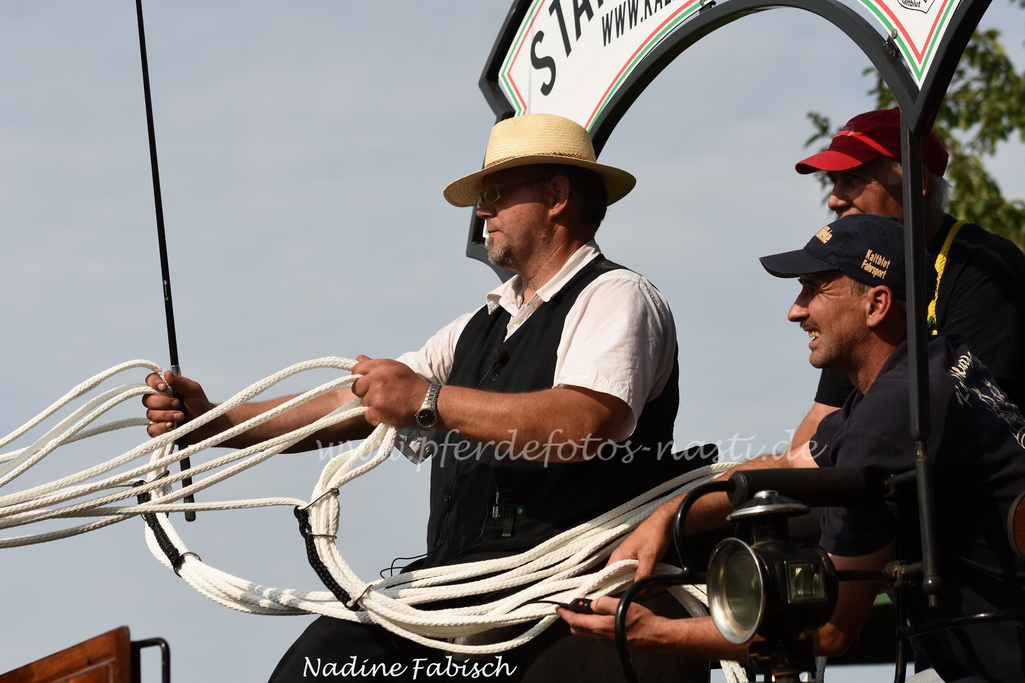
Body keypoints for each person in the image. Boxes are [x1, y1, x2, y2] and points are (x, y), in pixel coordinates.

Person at [143, 113, 707, 681]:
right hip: (461, 597)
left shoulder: (616, 295)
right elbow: (356, 403)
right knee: (317, 664)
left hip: (571, 604)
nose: (482, 211)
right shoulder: (476, 328)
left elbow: (583, 421)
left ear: (557, 196)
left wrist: (426, 400)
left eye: (495, 193)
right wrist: (214, 422)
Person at [560, 214, 1025, 681]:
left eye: (814, 289)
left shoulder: (891, 417)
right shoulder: (938, 365)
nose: (795, 311)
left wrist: (651, 633)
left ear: (877, 304)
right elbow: (789, 466)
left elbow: (828, 630)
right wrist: (664, 519)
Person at [788, 108, 1025, 459]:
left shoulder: (987, 269)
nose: (834, 199)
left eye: (853, 179)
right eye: (833, 182)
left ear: (917, 182)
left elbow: (961, 419)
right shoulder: (863, 277)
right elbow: (817, 428)